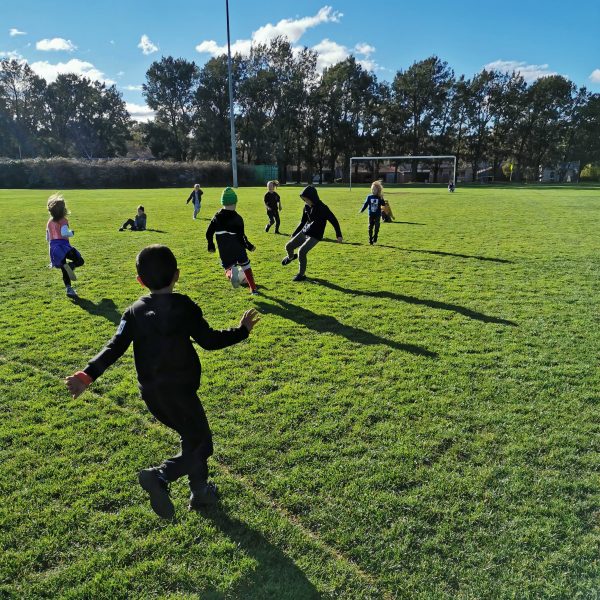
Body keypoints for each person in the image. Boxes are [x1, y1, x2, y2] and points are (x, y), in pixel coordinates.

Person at [64, 245, 260, 518]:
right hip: (180, 392)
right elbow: (210, 341)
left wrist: (87, 375)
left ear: (140, 281)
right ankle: (161, 476)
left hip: (153, 395)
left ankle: (200, 493)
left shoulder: (133, 312)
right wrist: (241, 332)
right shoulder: (184, 306)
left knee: (190, 438)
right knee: (203, 444)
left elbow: (114, 347)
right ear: (177, 275)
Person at [281, 185, 343, 282]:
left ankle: (301, 275)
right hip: (305, 231)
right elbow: (303, 222)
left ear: (312, 198)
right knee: (288, 246)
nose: (305, 202)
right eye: (304, 200)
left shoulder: (323, 208)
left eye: (306, 199)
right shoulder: (306, 206)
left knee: (301, 251)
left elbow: (334, 221)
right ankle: (291, 257)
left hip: (315, 235)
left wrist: (338, 235)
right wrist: (295, 233)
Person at [206, 187, 259, 295]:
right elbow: (242, 237)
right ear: (235, 202)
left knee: (228, 267)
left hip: (224, 250)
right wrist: (249, 246)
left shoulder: (216, 217)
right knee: (246, 266)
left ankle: (231, 274)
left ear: (223, 202)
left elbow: (208, 233)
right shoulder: (237, 218)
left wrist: (211, 245)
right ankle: (253, 289)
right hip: (238, 248)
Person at [46, 193, 85, 298]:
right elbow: (64, 233)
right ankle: (72, 266)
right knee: (80, 261)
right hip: (63, 246)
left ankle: (69, 289)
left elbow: (47, 236)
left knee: (64, 267)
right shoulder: (63, 220)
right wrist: (71, 232)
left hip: (53, 248)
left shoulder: (49, 221)